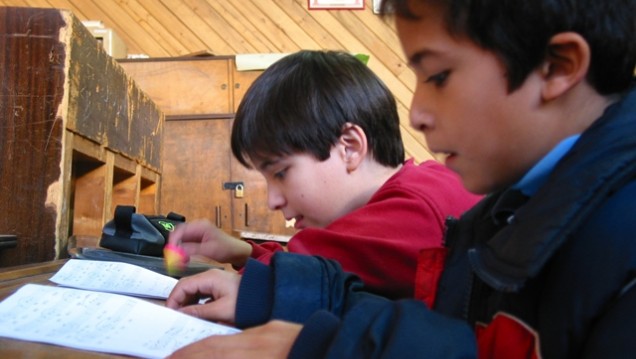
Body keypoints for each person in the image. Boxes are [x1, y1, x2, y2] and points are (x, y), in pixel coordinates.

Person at [167, 0, 636, 357]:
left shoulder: (619, 247)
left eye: (438, 75)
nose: (416, 114)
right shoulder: (509, 212)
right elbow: (448, 331)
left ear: (556, 66)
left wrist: (321, 345)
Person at [168, 50, 481, 300]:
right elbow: (321, 261)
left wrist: (247, 273)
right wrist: (245, 251)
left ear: (349, 147)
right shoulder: (425, 184)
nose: (272, 200)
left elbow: (293, 276)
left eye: (280, 172)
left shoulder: (413, 211)